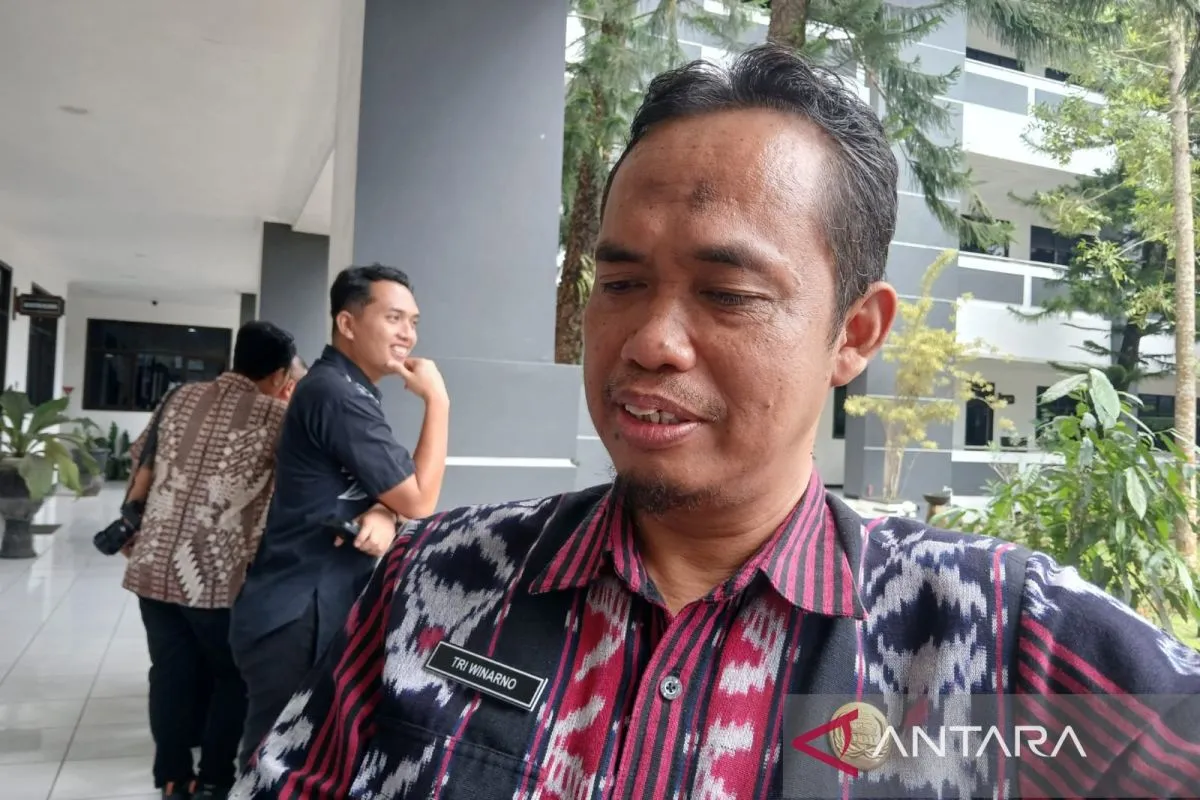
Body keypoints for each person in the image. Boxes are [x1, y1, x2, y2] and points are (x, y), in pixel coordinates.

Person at [231, 46, 1200, 800]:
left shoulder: (1002, 638)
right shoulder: (436, 580)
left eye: (729, 293)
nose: (651, 341)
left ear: (854, 334)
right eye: (621, 283)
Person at [230, 264, 450, 771]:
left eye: (413, 321)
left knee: (306, 758)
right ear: (347, 324)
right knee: (275, 764)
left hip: (309, 603)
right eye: (393, 317)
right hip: (296, 614)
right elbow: (420, 499)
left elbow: (388, 488)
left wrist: (383, 510)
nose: (408, 334)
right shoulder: (337, 393)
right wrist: (438, 400)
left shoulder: (347, 389)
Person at [122, 320, 301, 800]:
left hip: (152, 562)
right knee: (232, 676)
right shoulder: (276, 415)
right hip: (211, 575)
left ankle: (172, 776)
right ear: (280, 374)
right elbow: (295, 485)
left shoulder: (178, 397)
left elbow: (142, 458)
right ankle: (216, 778)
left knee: (169, 670)